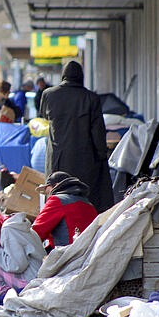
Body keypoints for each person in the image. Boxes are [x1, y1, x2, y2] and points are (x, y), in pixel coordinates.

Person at [39, 60, 114, 213]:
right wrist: (101, 154)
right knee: (85, 199)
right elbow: (98, 131)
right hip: (84, 159)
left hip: (57, 160)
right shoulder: (91, 98)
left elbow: (44, 117)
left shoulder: (48, 95)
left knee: (58, 198)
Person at [32, 171, 98, 253]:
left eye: (47, 191)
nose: (48, 195)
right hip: (89, 254)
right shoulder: (89, 204)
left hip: (66, 256)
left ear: (55, 185)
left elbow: (37, 232)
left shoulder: (56, 200)